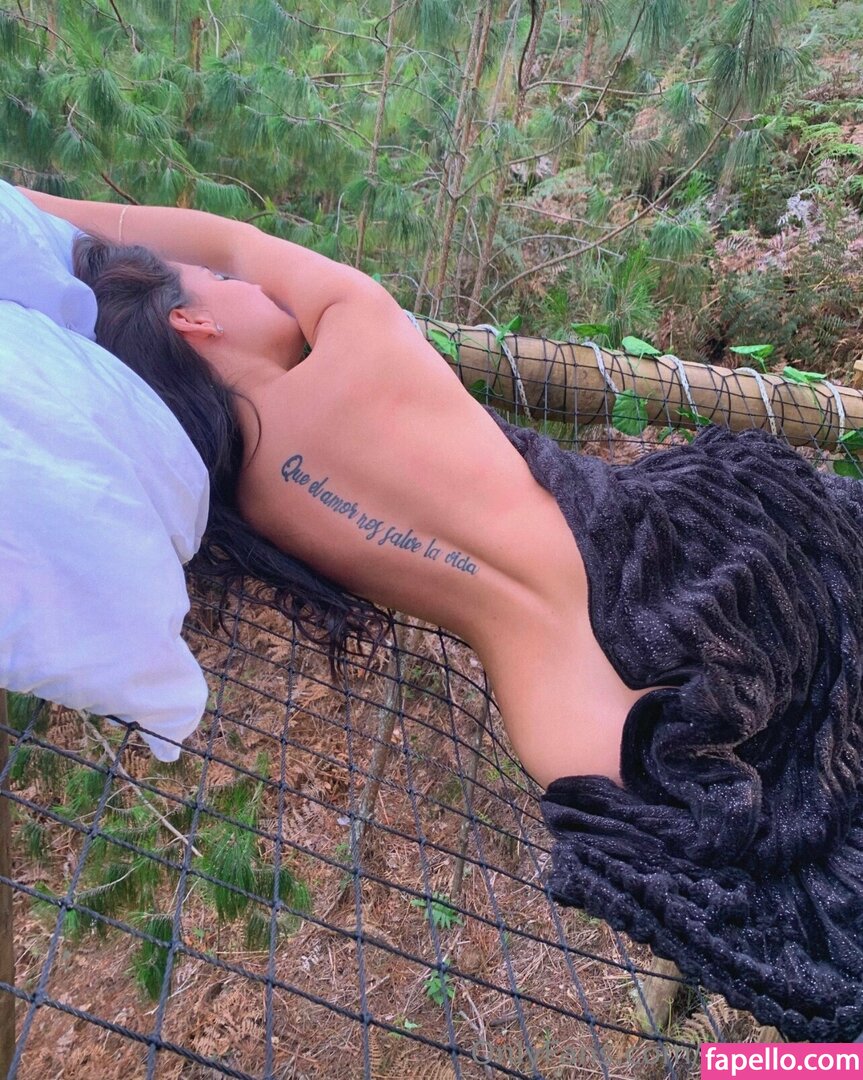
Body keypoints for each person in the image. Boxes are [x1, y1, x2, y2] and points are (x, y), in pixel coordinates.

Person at [19, 189, 863, 1042]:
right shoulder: (356, 334)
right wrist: (28, 204)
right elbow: (234, 240)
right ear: (194, 322)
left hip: (579, 728)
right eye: (219, 285)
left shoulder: (239, 507)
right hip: (677, 582)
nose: (250, 286)